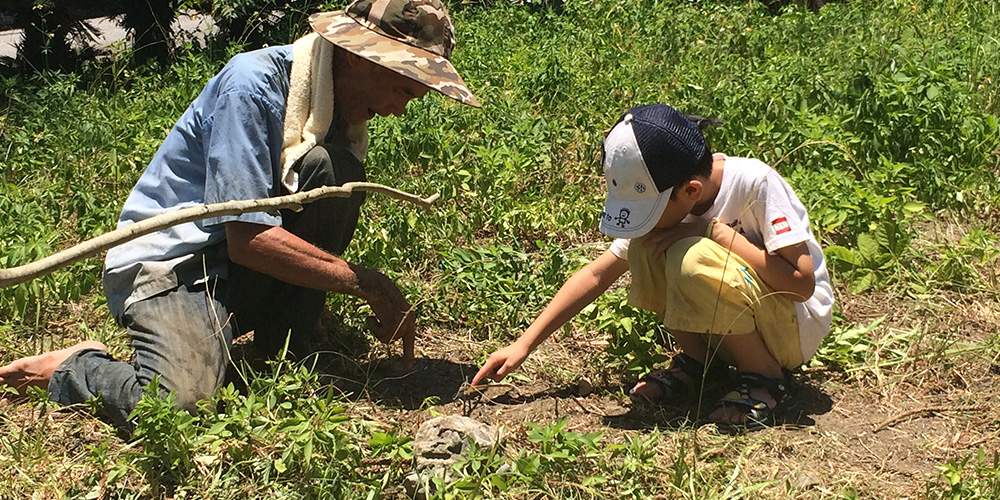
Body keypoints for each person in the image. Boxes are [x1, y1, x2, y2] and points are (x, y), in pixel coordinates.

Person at [0, 0, 480, 427]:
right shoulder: (253, 85)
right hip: (175, 267)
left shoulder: (333, 100)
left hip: (235, 260)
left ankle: (285, 342)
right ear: (358, 56)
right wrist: (368, 284)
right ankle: (76, 367)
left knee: (332, 171)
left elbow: (287, 209)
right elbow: (247, 237)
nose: (397, 109)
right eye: (401, 89)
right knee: (176, 407)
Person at [472, 104, 833, 430]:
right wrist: (524, 344)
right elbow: (598, 274)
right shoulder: (671, 201)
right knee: (648, 246)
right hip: (737, 325)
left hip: (793, 328)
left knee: (691, 256)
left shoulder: (755, 183)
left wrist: (715, 233)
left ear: (691, 191)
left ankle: (766, 379)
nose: (645, 221)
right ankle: (700, 364)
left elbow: (801, 285)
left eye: (649, 209)